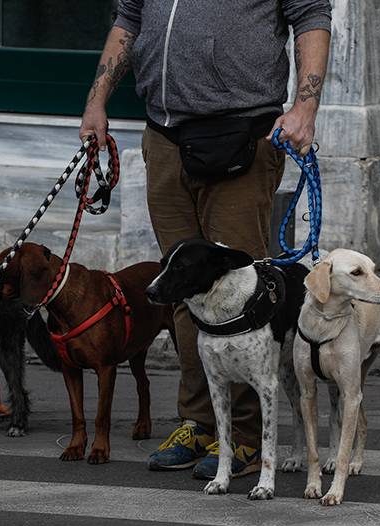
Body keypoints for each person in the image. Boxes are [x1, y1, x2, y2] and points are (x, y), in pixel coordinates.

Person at [80, 1, 331, 479]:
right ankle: (198, 423)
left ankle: (246, 437)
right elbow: (127, 19)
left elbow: (313, 14)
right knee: (181, 291)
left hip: (241, 135)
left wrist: (306, 106)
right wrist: (97, 101)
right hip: (165, 136)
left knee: (244, 296)